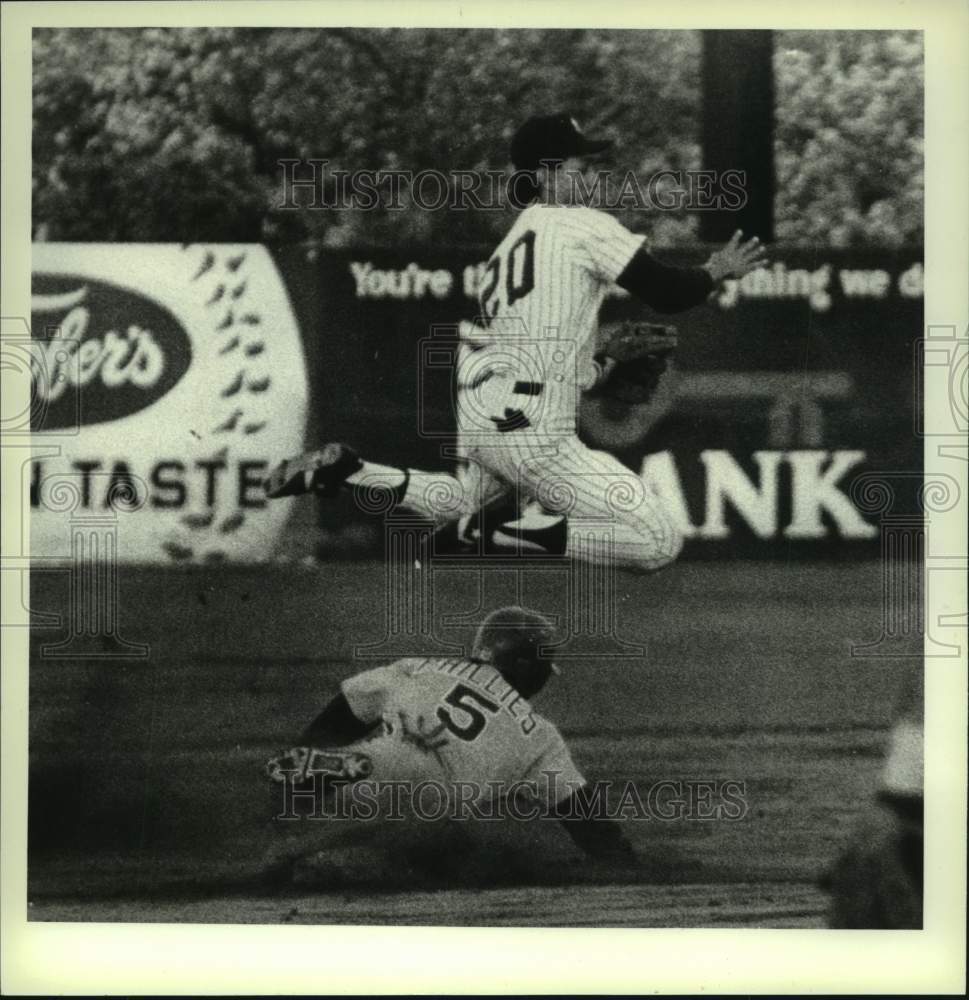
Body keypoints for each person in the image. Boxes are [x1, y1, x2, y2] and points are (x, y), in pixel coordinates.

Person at [265, 112, 767, 572]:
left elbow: (537, 354)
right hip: (535, 431)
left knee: (465, 504)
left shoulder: (507, 250)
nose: (593, 178)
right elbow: (666, 291)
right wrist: (716, 269)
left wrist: (600, 369)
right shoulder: (581, 225)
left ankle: (351, 472)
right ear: (546, 174)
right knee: (657, 543)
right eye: (581, 166)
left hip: (488, 418)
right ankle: (493, 535)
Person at [265, 606, 634, 867]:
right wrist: (626, 862)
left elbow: (344, 711)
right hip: (435, 796)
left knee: (373, 774)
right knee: (429, 839)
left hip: (383, 759)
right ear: (531, 670)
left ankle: (329, 777)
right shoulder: (539, 733)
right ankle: (317, 851)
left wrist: (301, 759)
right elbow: (586, 819)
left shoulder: (419, 667)